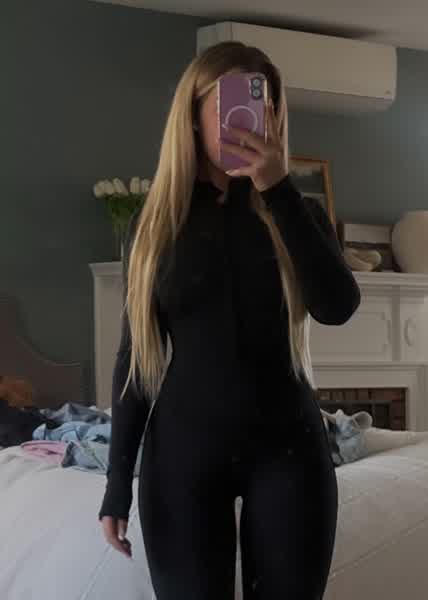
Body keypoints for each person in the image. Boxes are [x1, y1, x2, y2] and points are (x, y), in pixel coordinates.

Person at [98, 40, 361, 600]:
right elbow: (135, 360)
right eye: (227, 103)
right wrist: (116, 484)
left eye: (260, 104)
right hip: (183, 458)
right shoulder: (155, 225)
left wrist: (278, 189)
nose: (244, 119)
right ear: (194, 115)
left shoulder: (297, 213)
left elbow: (337, 308)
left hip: (288, 451)